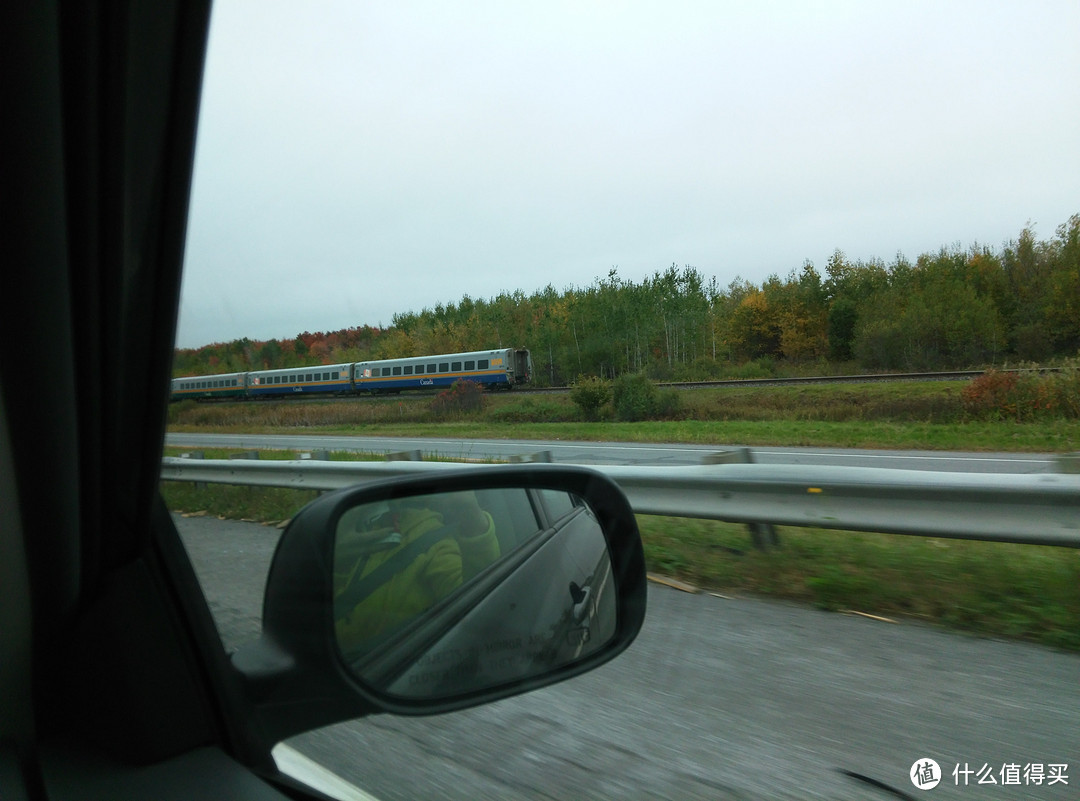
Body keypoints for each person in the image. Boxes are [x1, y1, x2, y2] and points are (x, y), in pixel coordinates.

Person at [333, 491, 500, 655]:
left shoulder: (433, 540)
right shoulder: (350, 529)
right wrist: (337, 561)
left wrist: (473, 520)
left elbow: (475, 606)